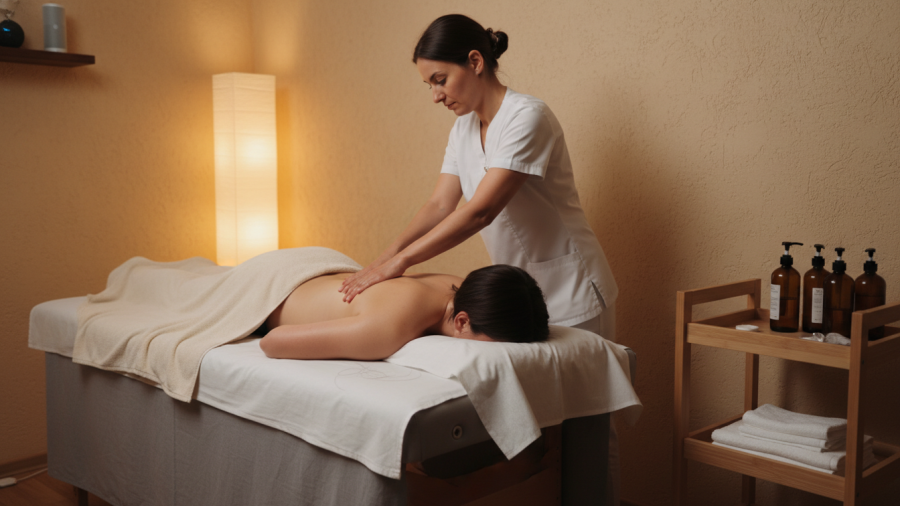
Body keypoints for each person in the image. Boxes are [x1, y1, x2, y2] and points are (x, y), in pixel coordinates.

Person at [336, 14, 621, 504]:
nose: (435, 95)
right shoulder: (465, 128)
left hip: (571, 288)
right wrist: (376, 264)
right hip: (514, 299)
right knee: (532, 428)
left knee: (583, 429)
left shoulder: (527, 116)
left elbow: (481, 210)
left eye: (440, 80)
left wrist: (396, 267)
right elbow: (439, 205)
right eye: (428, 84)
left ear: (476, 61)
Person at [260, 264, 549, 360]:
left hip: (325, 270)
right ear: (462, 322)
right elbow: (272, 342)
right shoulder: (389, 327)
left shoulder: (470, 290)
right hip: (275, 283)